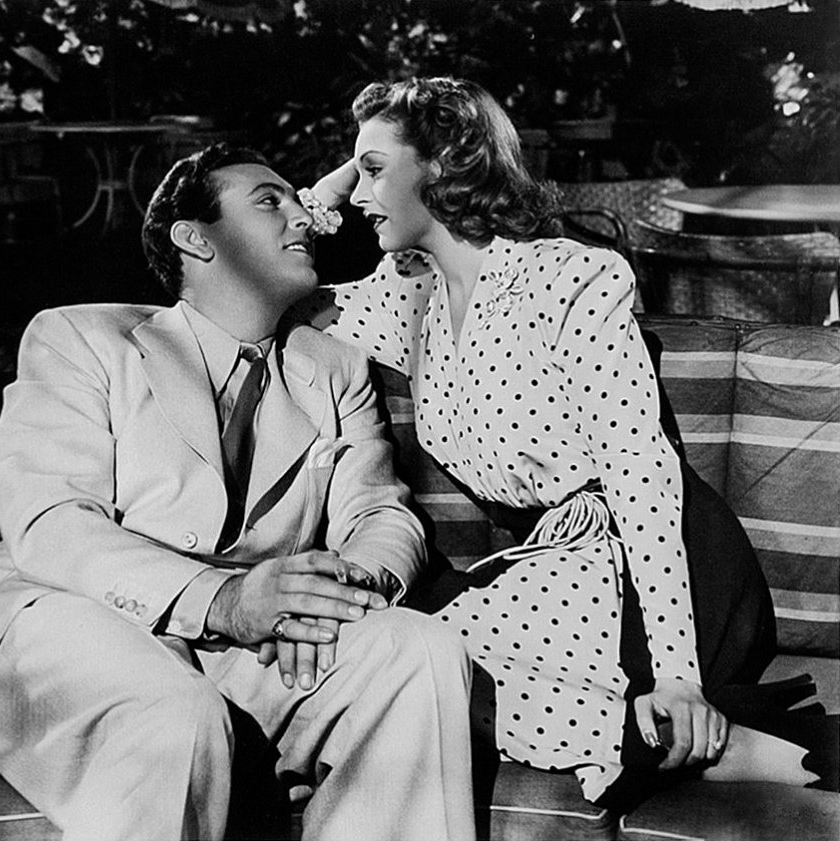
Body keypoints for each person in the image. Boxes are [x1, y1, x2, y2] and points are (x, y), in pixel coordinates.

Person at [0, 143, 476, 841]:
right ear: (195, 238)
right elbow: (53, 523)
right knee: (176, 712)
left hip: (253, 638)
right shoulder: (81, 335)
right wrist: (224, 600)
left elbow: (380, 511)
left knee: (417, 649)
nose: (305, 217)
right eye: (270, 202)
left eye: (298, 201)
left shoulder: (335, 367)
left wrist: (334, 592)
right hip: (73, 612)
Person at [290, 76, 823, 811]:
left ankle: (706, 732)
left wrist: (676, 673)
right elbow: (278, 293)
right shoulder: (406, 297)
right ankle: (736, 749)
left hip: (656, 562)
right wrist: (320, 198)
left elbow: (643, 472)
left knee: (419, 666)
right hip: (550, 569)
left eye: (373, 169)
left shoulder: (569, 277)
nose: (357, 195)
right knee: (403, 666)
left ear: (443, 164)